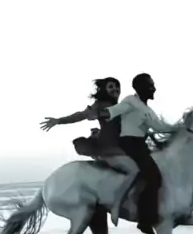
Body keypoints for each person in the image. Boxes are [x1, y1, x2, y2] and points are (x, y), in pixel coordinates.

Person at [40, 77, 139, 226]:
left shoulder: (120, 106)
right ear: (104, 90)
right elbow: (81, 115)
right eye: (111, 87)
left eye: (117, 86)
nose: (115, 89)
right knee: (134, 170)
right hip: (110, 150)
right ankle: (116, 203)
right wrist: (59, 120)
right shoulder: (101, 105)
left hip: (122, 149)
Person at [100, 73, 180, 234]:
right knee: (154, 177)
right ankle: (145, 220)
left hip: (140, 144)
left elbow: (159, 127)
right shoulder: (130, 101)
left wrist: (181, 128)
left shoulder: (148, 109)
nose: (154, 89)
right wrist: (102, 113)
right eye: (150, 85)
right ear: (141, 88)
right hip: (130, 144)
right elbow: (116, 110)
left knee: (156, 173)